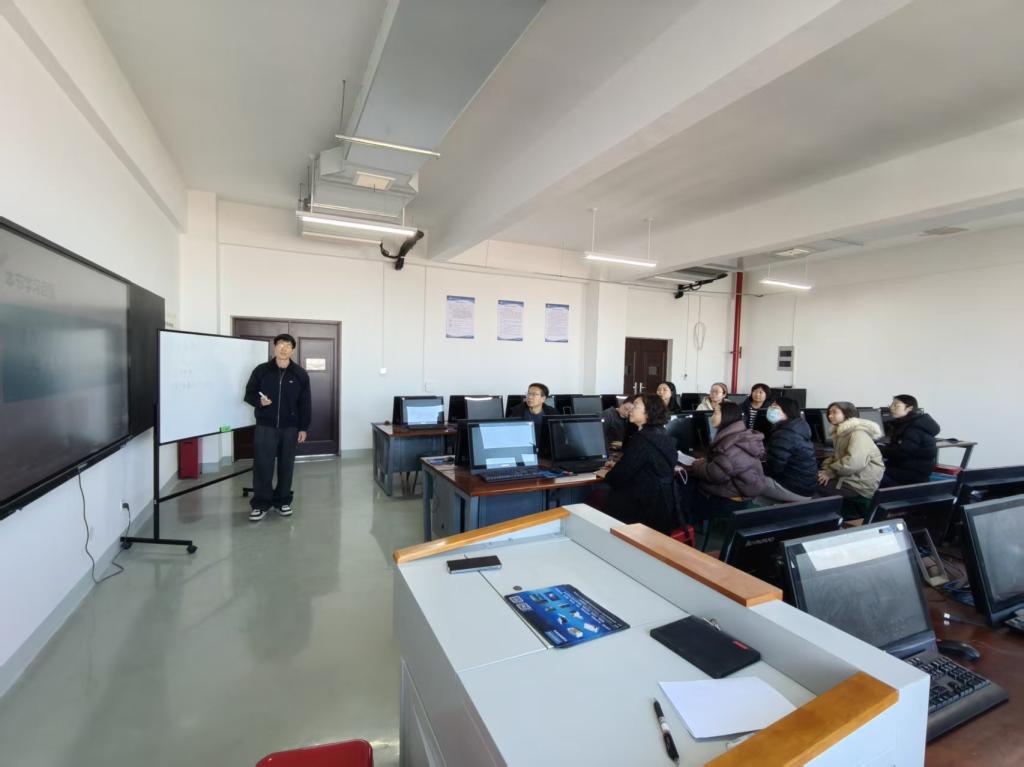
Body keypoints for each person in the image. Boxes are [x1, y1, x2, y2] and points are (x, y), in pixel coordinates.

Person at [243, 334, 311, 522]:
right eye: (281, 344)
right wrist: (260, 402)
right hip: (266, 426)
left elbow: (305, 403)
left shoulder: (300, 374)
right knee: (262, 465)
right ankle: (260, 504)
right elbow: (249, 393)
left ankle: (282, 501)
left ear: (293, 350)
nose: (284, 348)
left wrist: (303, 428)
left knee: (286, 465)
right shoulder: (262, 370)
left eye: (288, 345)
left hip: (290, 428)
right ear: (274, 347)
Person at [597, 394, 679, 534]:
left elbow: (618, 477)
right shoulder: (663, 433)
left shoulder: (643, 440)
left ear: (648, 412)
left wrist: (608, 473)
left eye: (636, 406)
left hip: (644, 512)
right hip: (663, 507)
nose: (631, 409)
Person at [689, 400, 766, 520]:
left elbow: (714, 474)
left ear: (726, 416)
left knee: (687, 489)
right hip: (742, 491)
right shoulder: (741, 436)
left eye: (715, 413)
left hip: (731, 500)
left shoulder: (729, 446)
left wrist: (697, 464)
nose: (712, 417)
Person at [817, 401, 883, 500]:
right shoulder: (842, 433)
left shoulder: (858, 434)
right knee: (814, 478)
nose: (830, 416)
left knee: (812, 486)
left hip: (859, 485)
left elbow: (854, 463)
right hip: (850, 477)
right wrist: (825, 469)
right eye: (829, 413)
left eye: (834, 412)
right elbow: (838, 456)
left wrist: (829, 473)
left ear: (847, 413)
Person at [880, 394, 940, 487]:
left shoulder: (914, 428)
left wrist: (879, 449)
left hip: (911, 473)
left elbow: (902, 453)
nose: (891, 408)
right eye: (891, 405)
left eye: (896, 405)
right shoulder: (908, 423)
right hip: (911, 469)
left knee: (871, 473)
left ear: (909, 408)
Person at [763, 397, 818, 497]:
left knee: (747, 479)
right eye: (770, 406)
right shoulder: (798, 427)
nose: (770, 409)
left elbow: (773, 468)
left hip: (794, 489)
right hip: (806, 487)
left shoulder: (784, 434)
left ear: (787, 411)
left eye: (775, 407)